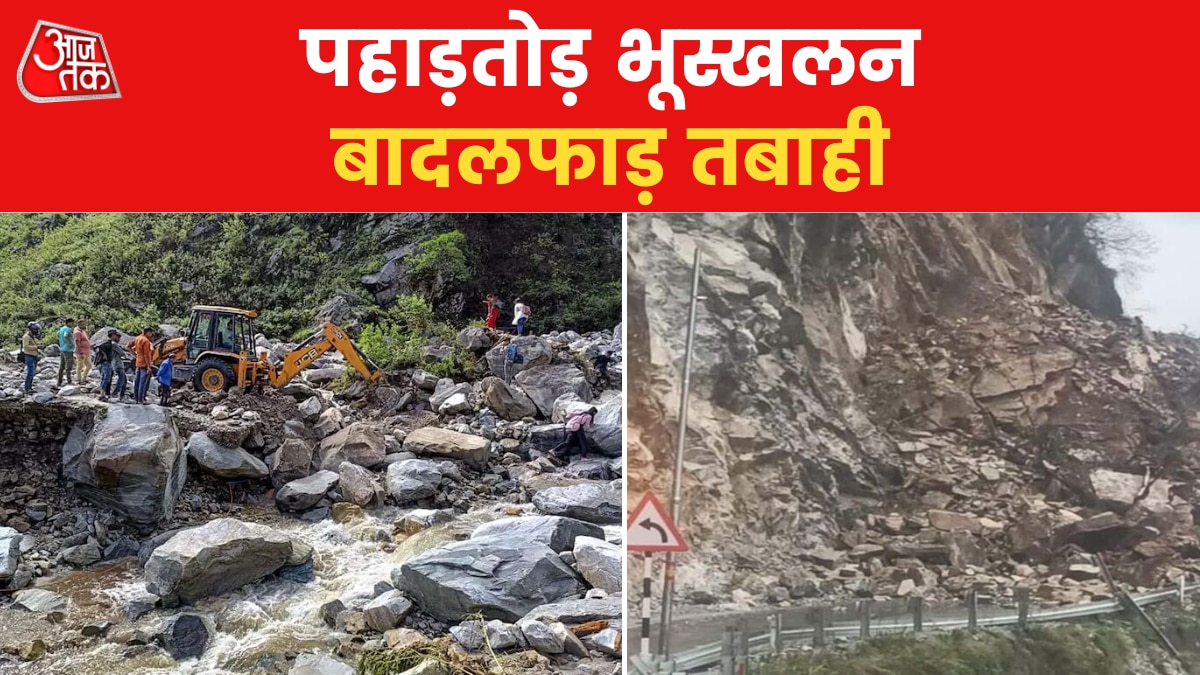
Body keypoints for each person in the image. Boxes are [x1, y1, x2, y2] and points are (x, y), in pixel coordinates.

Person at [95, 330, 126, 402]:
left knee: (105, 378)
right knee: (107, 378)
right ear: (112, 335)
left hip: (102, 363)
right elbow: (122, 353)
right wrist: (105, 357)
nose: (116, 337)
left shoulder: (104, 342)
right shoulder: (111, 343)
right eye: (115, 335)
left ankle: (104, 394)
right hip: (107, 363)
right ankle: (104, 395)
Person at [130, 326, 156, 404]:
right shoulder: (146, 341)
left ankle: (136, 398)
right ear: (148, 332)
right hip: (144, 364)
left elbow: (128, 346)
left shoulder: (137, 338)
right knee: (142, 382)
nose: (151, 335)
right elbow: (146, 355)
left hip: (138, 362)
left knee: (137, 381)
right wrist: (148, 366)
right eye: (151, 333)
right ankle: (141, 399)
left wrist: (135, 354)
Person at [21, 322, 42, 396]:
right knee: (30, 373)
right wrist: (36, 347)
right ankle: (27, 389)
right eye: (36, 330)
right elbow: (26, 346)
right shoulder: (26, 337)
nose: (37, 331)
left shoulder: (32, 336)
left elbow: (33, 344)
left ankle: (30, 387)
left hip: (34, 356)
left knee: (32, 373)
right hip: (29, 356)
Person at [56, 318, 76, 388]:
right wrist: (70, 343)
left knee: (61, 366)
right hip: (68, 350)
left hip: (62, 349)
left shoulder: (61, 328)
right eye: (72, 323)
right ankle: (69, 380)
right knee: (68, 366)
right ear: (69, 323)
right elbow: (65, 335)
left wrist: (61, 342)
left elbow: (57, 335)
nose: (73, 324)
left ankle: (59, 381)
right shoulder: (68, 329)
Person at [74, 320, 93, 385]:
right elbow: (77, 342)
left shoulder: (83, 331)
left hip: (87, 351)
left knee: (89, 365)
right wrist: (80, 352)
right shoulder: (77, 332)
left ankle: (84, 378)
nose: (84, 325)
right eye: (83, 324)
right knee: (80, 366)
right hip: (81, 352)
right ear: (79, 325)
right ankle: (79, 380)